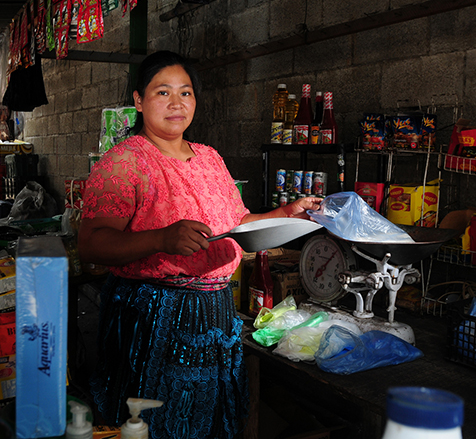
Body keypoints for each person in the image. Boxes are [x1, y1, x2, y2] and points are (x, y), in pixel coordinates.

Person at [79, 51, 321, 438]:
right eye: (163, 92)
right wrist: (162, 238)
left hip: (215, 312)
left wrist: (285, 213)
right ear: (139, 101)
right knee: (155, 421)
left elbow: (239, 223)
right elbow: (91, 244)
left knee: (210, 423)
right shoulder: (123, 162)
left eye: (186, 93)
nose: (177, 103)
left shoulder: (209, 158)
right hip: (153, 316)